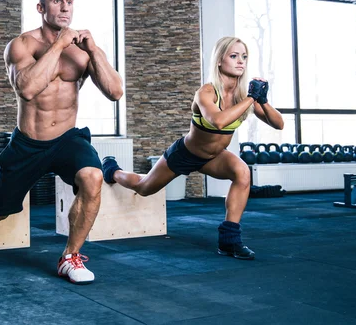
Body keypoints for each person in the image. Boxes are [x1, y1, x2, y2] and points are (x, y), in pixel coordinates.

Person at [0, 0, 123, 284]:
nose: (65, 7)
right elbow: (28, 90)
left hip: (67, 139)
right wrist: (61, 42)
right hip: (29, 143)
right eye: (57, 0)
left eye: (69, 1)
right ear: (41, 6)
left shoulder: (83, 52)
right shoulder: (21, 45)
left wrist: (94, 50)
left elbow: (115, 92)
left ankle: (70, 256)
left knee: (93, 175)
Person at [102, 36, 283, 260]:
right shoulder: (206, 93)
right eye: (234, 56)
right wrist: (250, 99)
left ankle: (229, 241)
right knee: (144, 187)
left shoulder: (242, 96)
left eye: (244, 57)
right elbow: (218, 121)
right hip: (185, 154)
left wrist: (262, 101)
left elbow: (279, 124)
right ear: (219, 60)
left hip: (214, 157)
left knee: (242, 172)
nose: (240, 62)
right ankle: (112, 170)